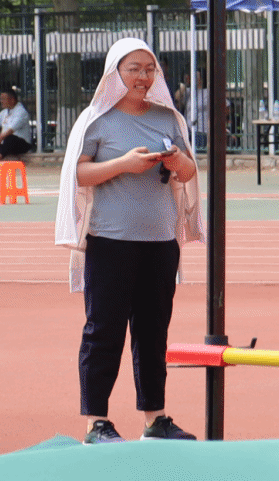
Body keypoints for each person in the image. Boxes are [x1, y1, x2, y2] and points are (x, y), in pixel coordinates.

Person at [54, 38, 204, 444]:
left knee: (153, 332)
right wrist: (124, 164)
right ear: (114, 73)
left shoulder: (168, 118)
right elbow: (77, 174)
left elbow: (188, 172)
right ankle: (96, 422)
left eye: (149, 69)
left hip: (160, 242)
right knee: (104, 330)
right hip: (110, 242)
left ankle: (155, 419)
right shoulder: (96, 120)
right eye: (134, 69)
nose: (143, 76)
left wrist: (176, 160)